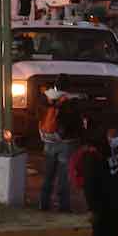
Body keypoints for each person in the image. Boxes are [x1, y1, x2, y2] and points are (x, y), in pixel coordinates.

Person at [38, 77, 81, 212]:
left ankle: (44, 204)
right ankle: (64, 206)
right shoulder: (70, 101)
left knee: (48, 176)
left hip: (49, 141)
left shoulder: (47, 98)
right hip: (66, 144)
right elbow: (74, 122)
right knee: (63, 177)